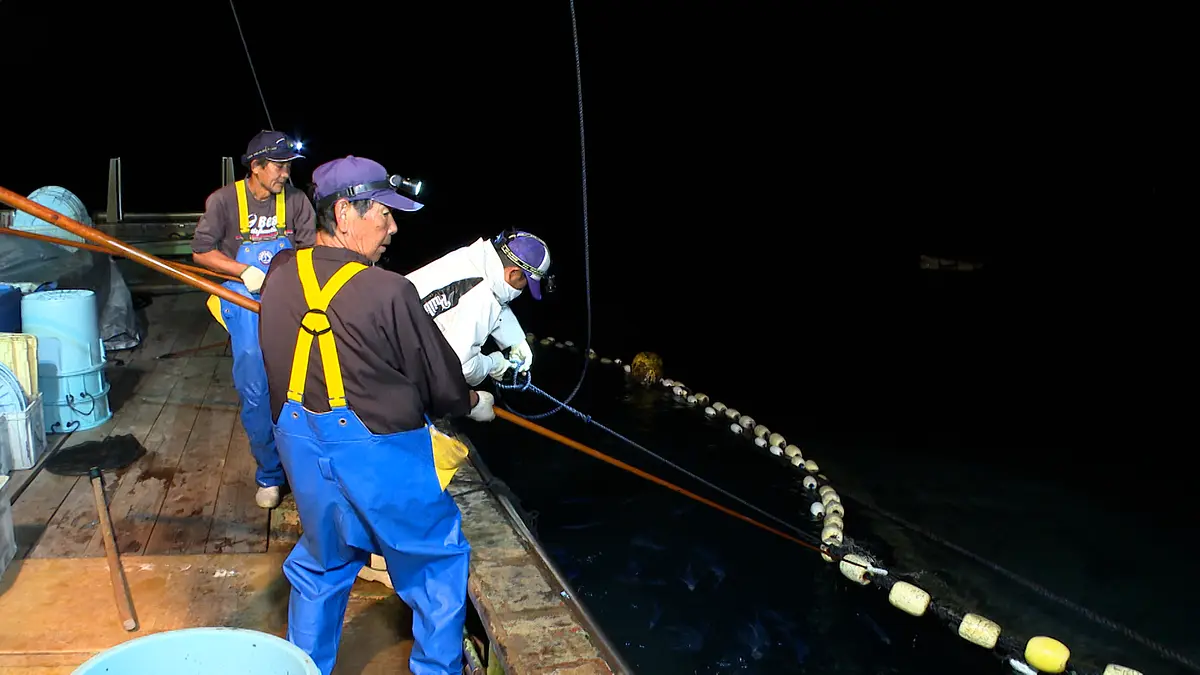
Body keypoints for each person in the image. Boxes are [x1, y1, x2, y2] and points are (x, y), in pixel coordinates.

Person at [257, 154, 497, 675]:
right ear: (344, 214)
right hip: (381, 456)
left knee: (323, 562)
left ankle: (302, 667)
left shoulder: (278, 272)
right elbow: (443, 388)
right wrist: (476, 403)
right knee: (435, 561)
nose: (392, 227)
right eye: (384, 213)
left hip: (301, 449)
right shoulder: (390, 291)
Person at [192, 129, 316, 509]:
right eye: (278, 167)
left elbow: (310, 251)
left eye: (288, 167)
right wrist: (241, 271)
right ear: (256, 166)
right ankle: (269, 474)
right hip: (241, 295)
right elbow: (200, 253)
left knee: (306, 378)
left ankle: (307, 468)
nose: (285, 174)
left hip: (288, 293)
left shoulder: (296, 202)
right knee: (255, 381)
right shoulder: (224, 202)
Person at [404, 229, 553, 387]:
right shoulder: (481, 297)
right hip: (396, 365)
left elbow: (494, 297)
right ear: (514, 273)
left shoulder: (470, 258)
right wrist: (495, 364)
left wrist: (515, 340)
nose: (523, 290)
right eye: (525, 284)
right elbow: (462, 366)